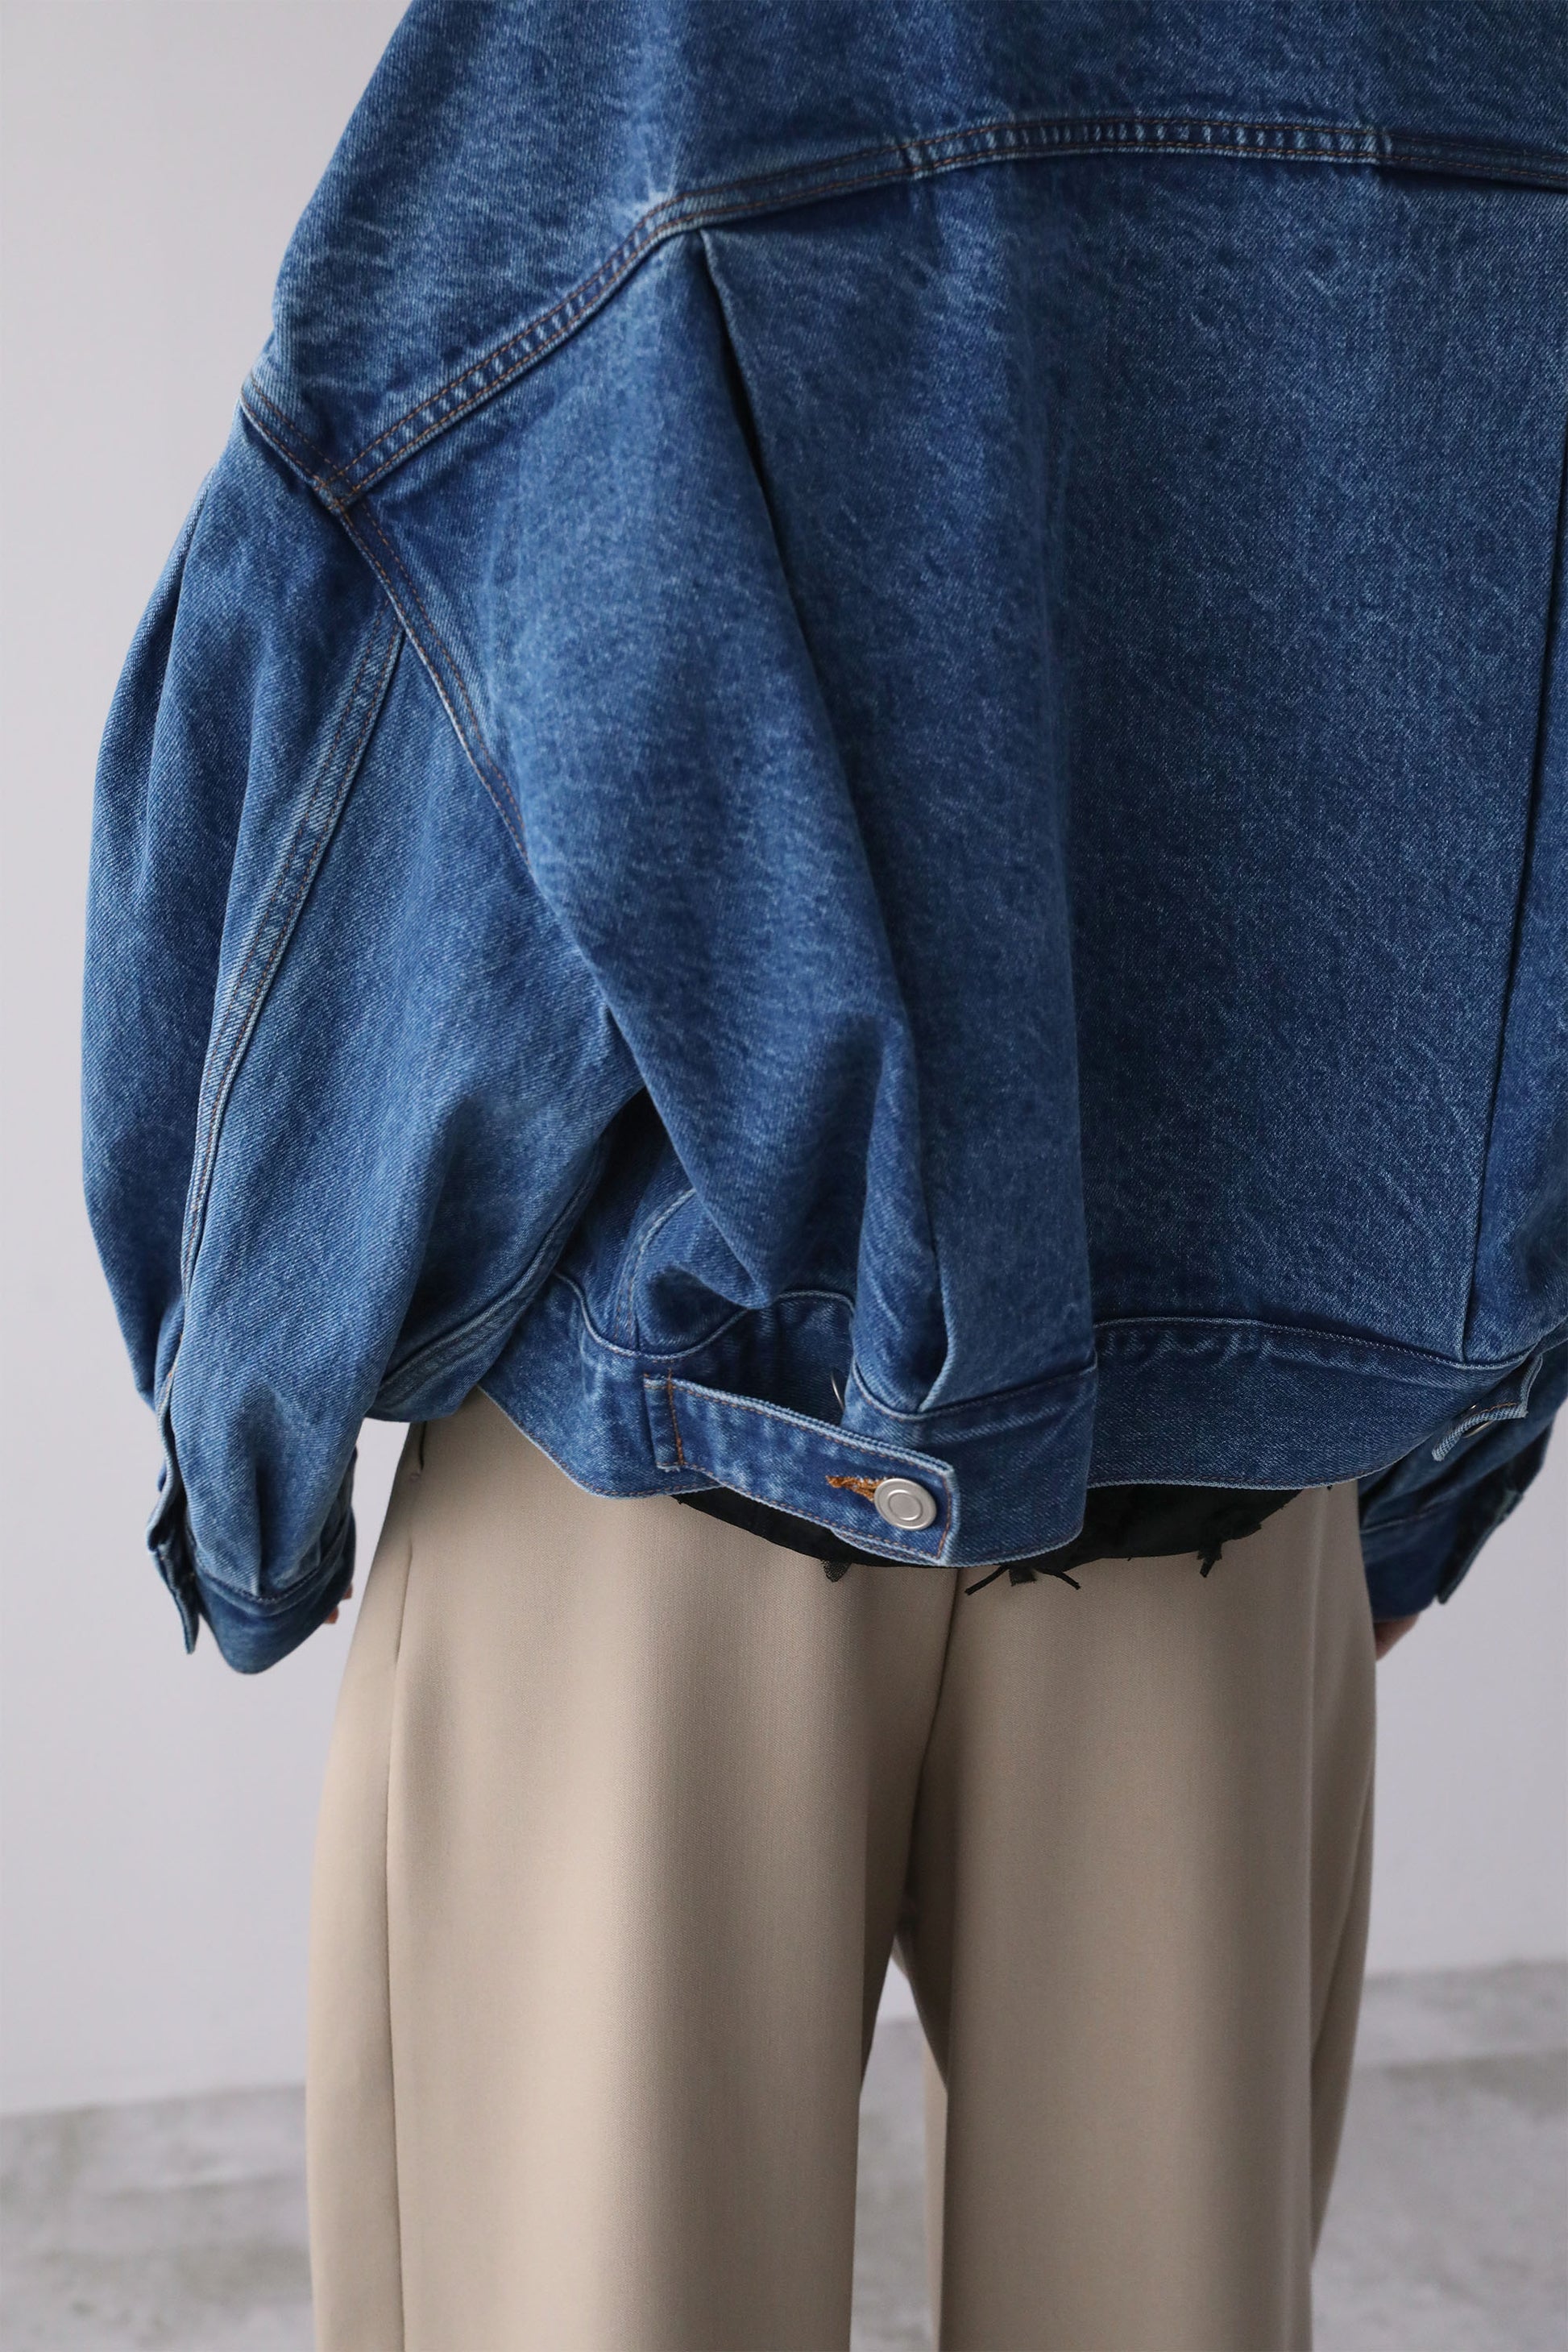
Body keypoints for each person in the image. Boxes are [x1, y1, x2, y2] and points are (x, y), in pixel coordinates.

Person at [82, 2, 1566, 2344]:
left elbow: (395, 612)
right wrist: (1442, 1426)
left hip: (668, 1462)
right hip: (1229, 1493)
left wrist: (245, 1430)